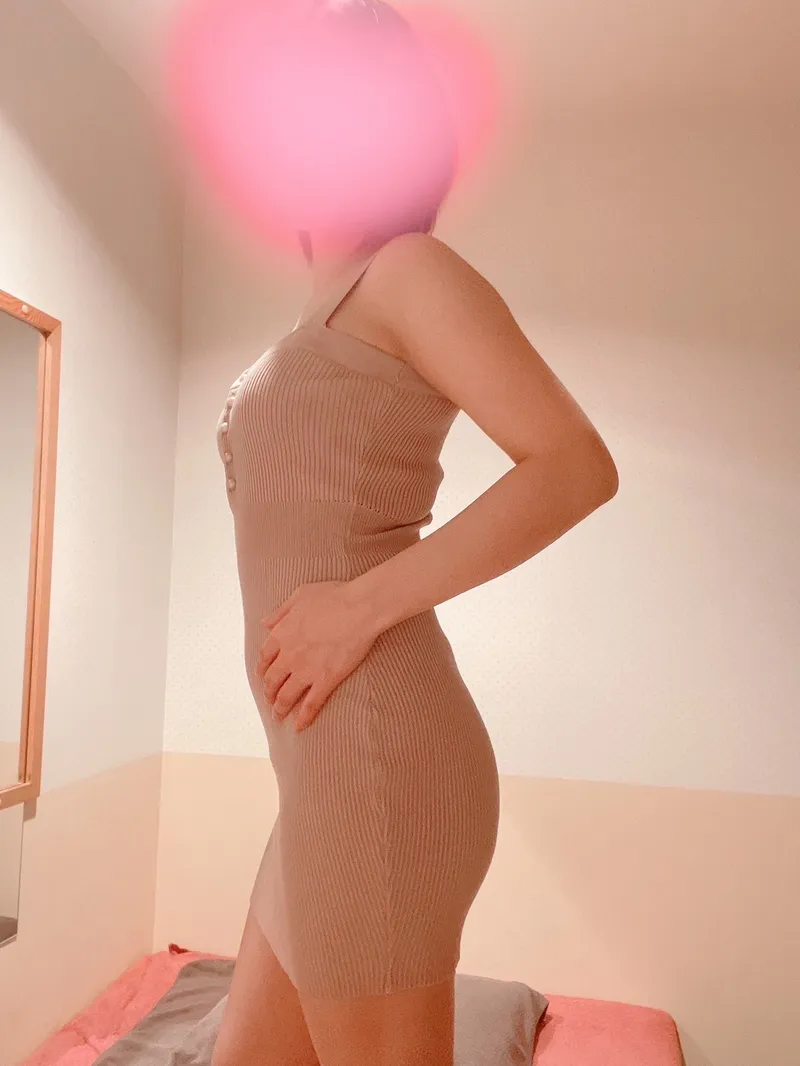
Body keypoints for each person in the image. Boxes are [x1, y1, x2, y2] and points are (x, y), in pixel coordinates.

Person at [211, 3, 619, 1065]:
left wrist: (360, 605)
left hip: (377, 758)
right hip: (318, 772)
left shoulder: (405, 270)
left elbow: (575, 464)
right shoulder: (323, 307)